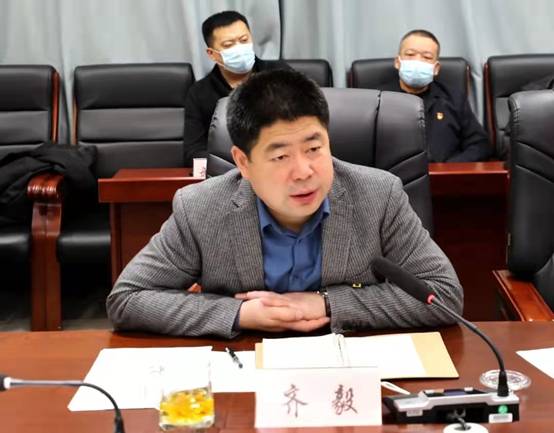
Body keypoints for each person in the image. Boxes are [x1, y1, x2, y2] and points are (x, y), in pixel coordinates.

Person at [107, 69, 463, 338]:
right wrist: (239, 314)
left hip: (352, 368)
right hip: (246, 369)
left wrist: (327, 303)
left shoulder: (378, 195)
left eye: (314, 148)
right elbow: (127, 298)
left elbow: (444, 295)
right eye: (280, 157)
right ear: (243, 162)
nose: (304, 172)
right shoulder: (200, 208)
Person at [183, 10, 291, 166]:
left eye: (244, 40)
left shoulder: (281, 75)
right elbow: (193, 152)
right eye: (229, 45)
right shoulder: (199, 93)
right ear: (212, 54)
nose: (239, 48)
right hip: (229, 171)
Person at [382, 29, 491, 162]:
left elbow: (480, 144)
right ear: (397, 62)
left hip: (445, 172)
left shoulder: (454, 98)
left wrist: (449, 168)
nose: (418, 61)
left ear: (436, 68)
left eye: (427, 57)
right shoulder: (378, 100)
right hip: (392, 173)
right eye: (410, 54)